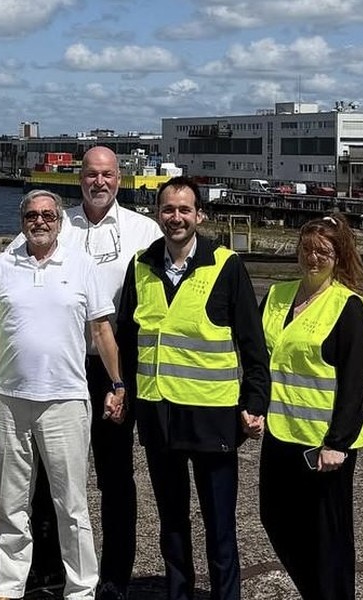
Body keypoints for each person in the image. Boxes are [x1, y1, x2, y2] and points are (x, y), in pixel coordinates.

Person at [0, 146, 161, 600]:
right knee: (42, 483)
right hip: (55, 365)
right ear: (80, 179)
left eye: (108, 174)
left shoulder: (142, 229)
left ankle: (111, 574)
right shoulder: (59, 221)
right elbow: (0, 268)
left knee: (113, 476)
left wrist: (122, 382)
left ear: (119, 178)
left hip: (111, 360)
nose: (99, 181)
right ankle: (46, 567)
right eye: (91, 174)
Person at [114, 177, 270, 600]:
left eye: (185, 210)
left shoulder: (226, 265)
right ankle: (178, 593)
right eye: (168, 209)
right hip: (158, 414)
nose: (176, 218)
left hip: (212, 416)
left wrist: (254, 402)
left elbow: (253, 346)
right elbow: (128, 340)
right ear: (157, 214)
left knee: (219, 524)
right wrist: (121, 391)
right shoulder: (141, 266)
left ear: (199, 215)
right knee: (172, 522)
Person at [259, 214, 363, 600]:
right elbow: (259, 359)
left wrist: (338, 442)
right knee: (276, 519)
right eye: (307, 249)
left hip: (325, 444)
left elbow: (355, 384)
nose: (313, 257)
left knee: (328, 537)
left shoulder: (348, 307)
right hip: (280, 432)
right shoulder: (277, 297)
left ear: (340, 257)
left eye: (323, 251)